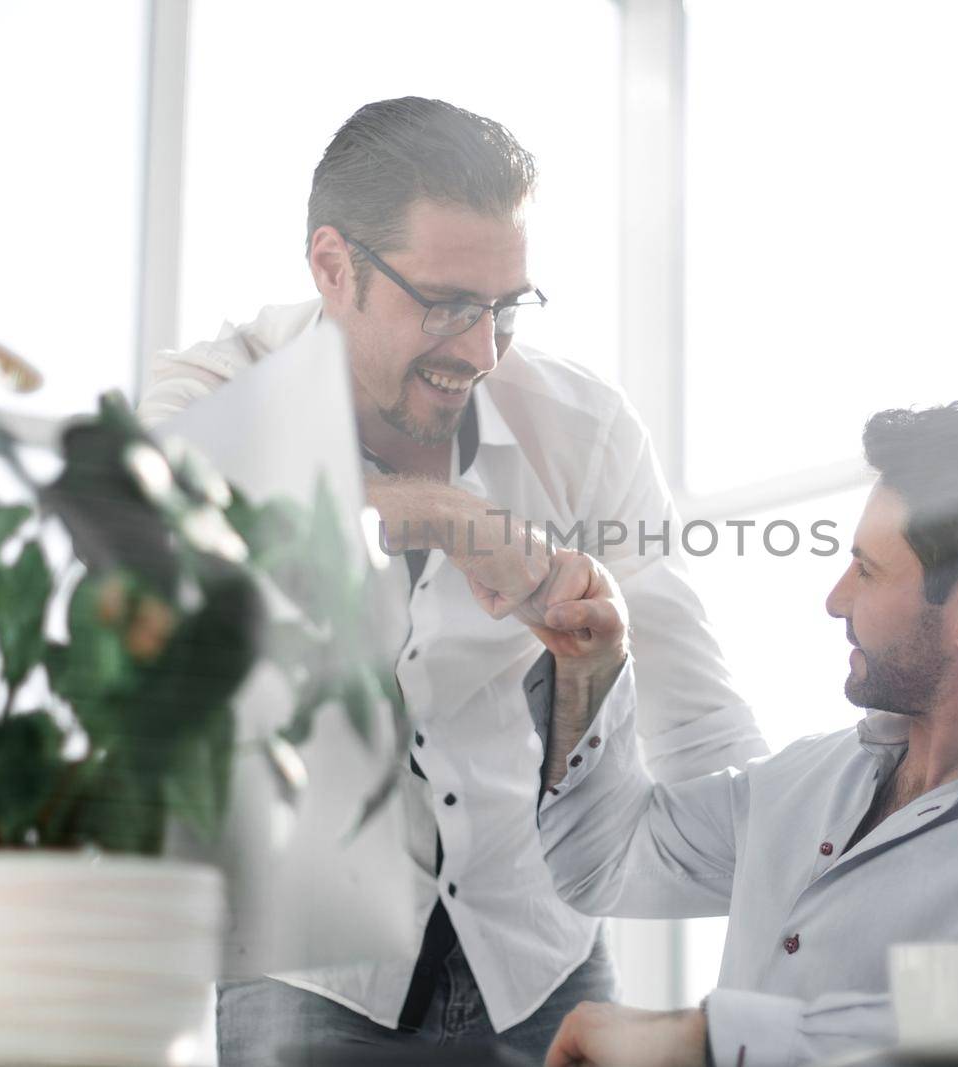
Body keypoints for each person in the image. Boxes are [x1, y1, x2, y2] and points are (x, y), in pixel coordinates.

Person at [137, 97, 767, 1065]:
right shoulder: (217, 384)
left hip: (543, 953)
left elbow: (699, 716)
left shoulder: (582, 425)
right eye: (444, 304)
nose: (479, 350)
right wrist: (440, 513)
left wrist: (803, 899)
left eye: (504, 307)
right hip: (307, 966)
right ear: (332, 266)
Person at [524, 400, 958, 1067]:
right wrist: (587, 668)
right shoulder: (805, 780)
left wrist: (713, 1039)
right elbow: (602, 864)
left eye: (867, 569)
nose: (835, 599)